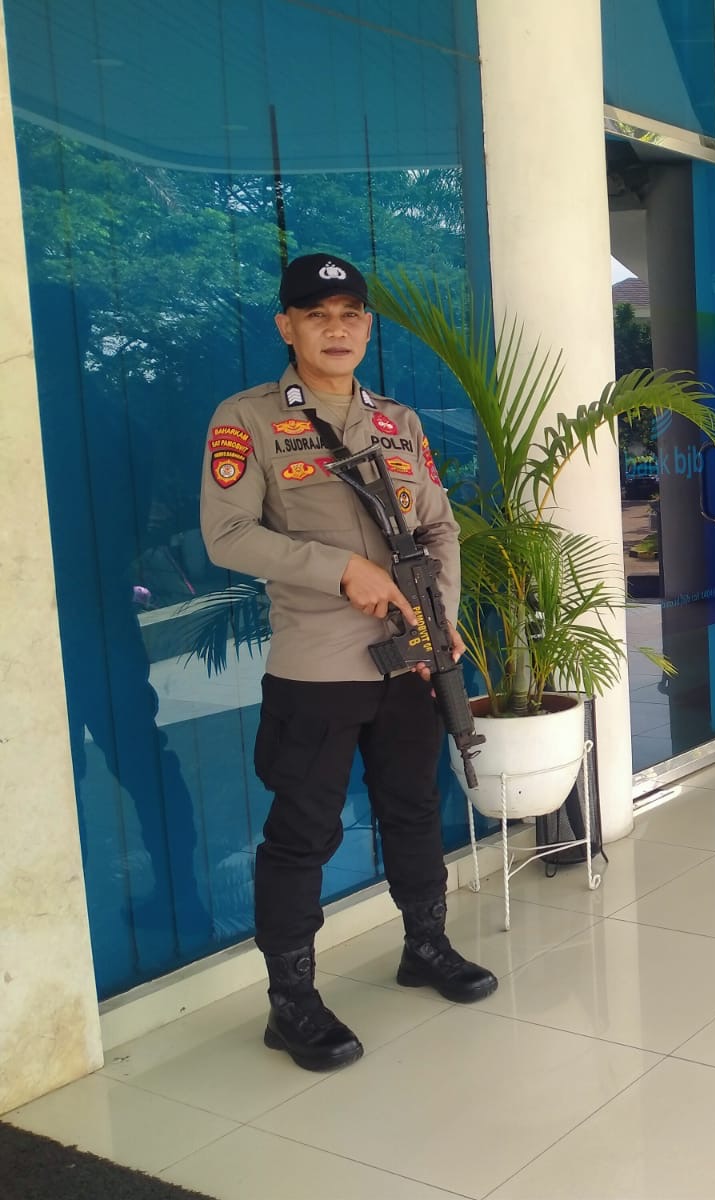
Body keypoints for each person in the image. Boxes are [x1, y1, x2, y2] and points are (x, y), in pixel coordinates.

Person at [201, 253, 496, 1072]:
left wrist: (439, 616)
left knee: (412, 807)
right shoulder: (248, 419)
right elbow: (226, 535)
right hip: (319, 667)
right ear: (286, 326)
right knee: (304, 831)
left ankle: (425, 946)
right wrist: (341, 571)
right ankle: (290, 1000)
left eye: (351, 315)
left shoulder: (397, 422)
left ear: (366, 327)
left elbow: (440, 527)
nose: (337, 329)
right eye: (317, 315)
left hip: (408, 662)